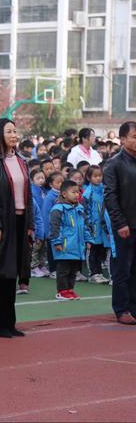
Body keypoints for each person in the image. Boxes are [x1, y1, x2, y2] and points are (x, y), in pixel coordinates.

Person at [0, 118, 34, 339]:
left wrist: (30, 224)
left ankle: (9, 322)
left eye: (15, 131)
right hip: (1, 222)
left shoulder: (22, 161)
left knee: (12, 272)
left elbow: (28, 196)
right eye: (9, 131)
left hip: (20, 222)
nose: (14, 135)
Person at [104, 121, 136, 325]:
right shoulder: (114, 163)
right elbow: (110, 196)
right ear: (122, 139)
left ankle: (134, 307)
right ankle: (122, 308)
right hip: (124, 225)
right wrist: (120, 223)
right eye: (134, 136)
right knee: (122, 268)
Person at [49, 180, 92, 301]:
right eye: (73, 192)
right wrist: (57, 242)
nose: (77, 194)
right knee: (63, 270)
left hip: (77, 247)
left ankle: (69, 290)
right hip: (64, 246)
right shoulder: (58, 209)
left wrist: (88, 240)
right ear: (64, 194)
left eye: (78, 192)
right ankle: (62, 291)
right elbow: (55, 227)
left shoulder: (80, 208)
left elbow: (84, 226)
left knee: (73, 270)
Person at [83, 166, 110, 284]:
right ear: (89, 177)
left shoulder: (104, 190)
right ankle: (93, 273)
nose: (98, 178)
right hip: (93, 227)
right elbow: (85, 211)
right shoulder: (88, 193)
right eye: (95, 176)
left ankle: (99, 272)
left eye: (100, 175)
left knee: (101, 249)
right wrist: (88, 226)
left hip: (102, 227)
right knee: (93, 250)